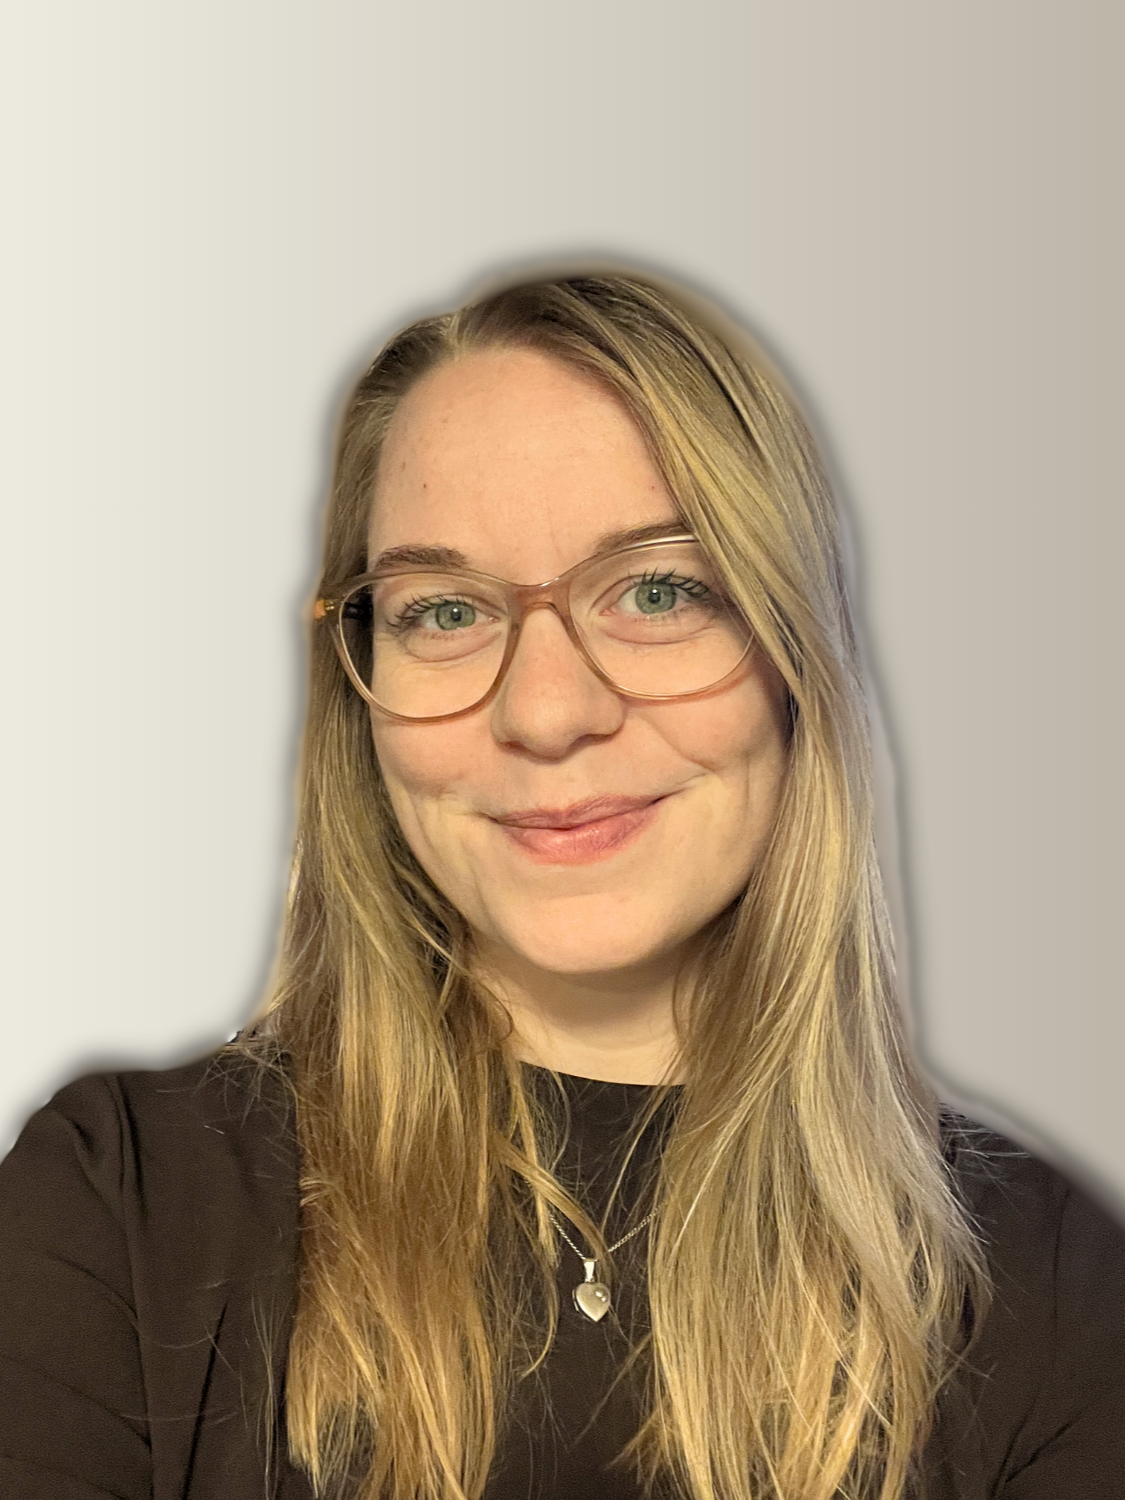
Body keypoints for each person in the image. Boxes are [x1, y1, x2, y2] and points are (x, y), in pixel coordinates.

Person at [1, 271, 1123, 1500]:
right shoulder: (118, 1212)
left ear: (797, 652)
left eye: (657, 590)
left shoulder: (1051, 1288)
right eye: (443, 610)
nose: (546, 711)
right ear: (357, 685)